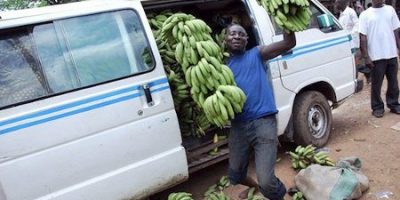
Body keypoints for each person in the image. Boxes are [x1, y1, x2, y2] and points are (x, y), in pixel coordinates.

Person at [225, 24, 296, 200]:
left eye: (241, 34)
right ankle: (257, 187)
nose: (236, 37)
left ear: (246, 39)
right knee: (235, 175)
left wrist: (288, 23)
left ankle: (279, 194)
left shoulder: (257, 54)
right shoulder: (221, 68)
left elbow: (289, 43)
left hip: (263, 121)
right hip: (238, 125)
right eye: (232, 34)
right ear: (225, 39)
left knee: (266, 179)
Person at [359, 0, 400, 118]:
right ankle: (377, 107)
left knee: (393, 82)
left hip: (391, 53)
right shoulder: (365, 14)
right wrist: (366, 57)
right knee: (377, 84)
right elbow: (363, 37)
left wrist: (399, 47)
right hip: (376, 55)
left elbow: (396, 31)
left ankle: (394, 104)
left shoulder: (390, 10)